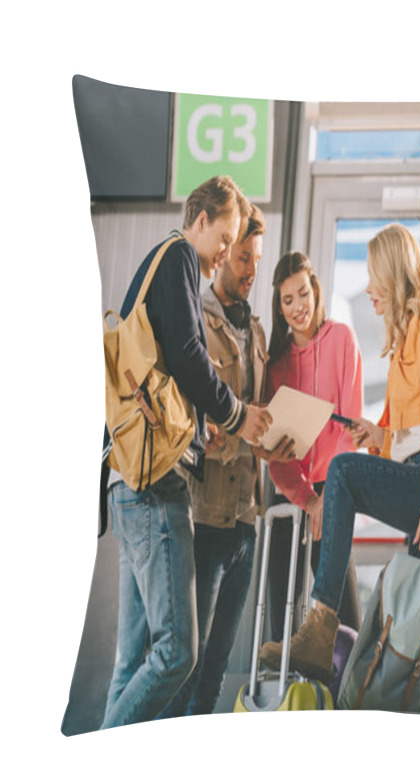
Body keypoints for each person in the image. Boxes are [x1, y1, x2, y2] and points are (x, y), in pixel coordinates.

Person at [260, 224, 420, 714]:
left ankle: (321, 626)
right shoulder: (403, 342)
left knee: (342, 475)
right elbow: (416, 432)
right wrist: (378, 437)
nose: (369, 290)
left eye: (374, 278)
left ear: (394, 275)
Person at [102, 176, 272, 729]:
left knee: (132, 662)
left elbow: (171, 366)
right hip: (154, 485)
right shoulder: (177, 255)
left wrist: (201, 429)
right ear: (200, 220)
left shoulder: (167, 265)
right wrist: (236, 415)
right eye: (224, 239)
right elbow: (190, 357)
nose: (225, 253)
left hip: (127, 483)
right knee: (178, 652)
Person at [157, 205, 294, 718]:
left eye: (256, 258)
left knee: (212, 677)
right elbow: (198, 421)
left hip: (244, 522)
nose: (251, 268)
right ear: (224, 253)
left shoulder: (257, 333)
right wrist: (242, 434)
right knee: (180, 671)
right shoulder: (195, 316)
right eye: (242, 257)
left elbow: (250, 421)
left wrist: (271, 443)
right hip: (204, 519)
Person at [264, 252, 363, 639]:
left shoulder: (342, 339)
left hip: (335, 490)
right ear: (279, 307)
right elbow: (277, 456)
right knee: (282, 623)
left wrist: (327, 498)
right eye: (287, 301)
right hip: (292, 496)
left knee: (345, 621)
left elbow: (350, 426)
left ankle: (350, 696)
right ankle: (289, 696)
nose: (297, 307)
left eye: (302, 294)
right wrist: (308, 499)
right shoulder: (276, 365)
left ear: (315, 291)